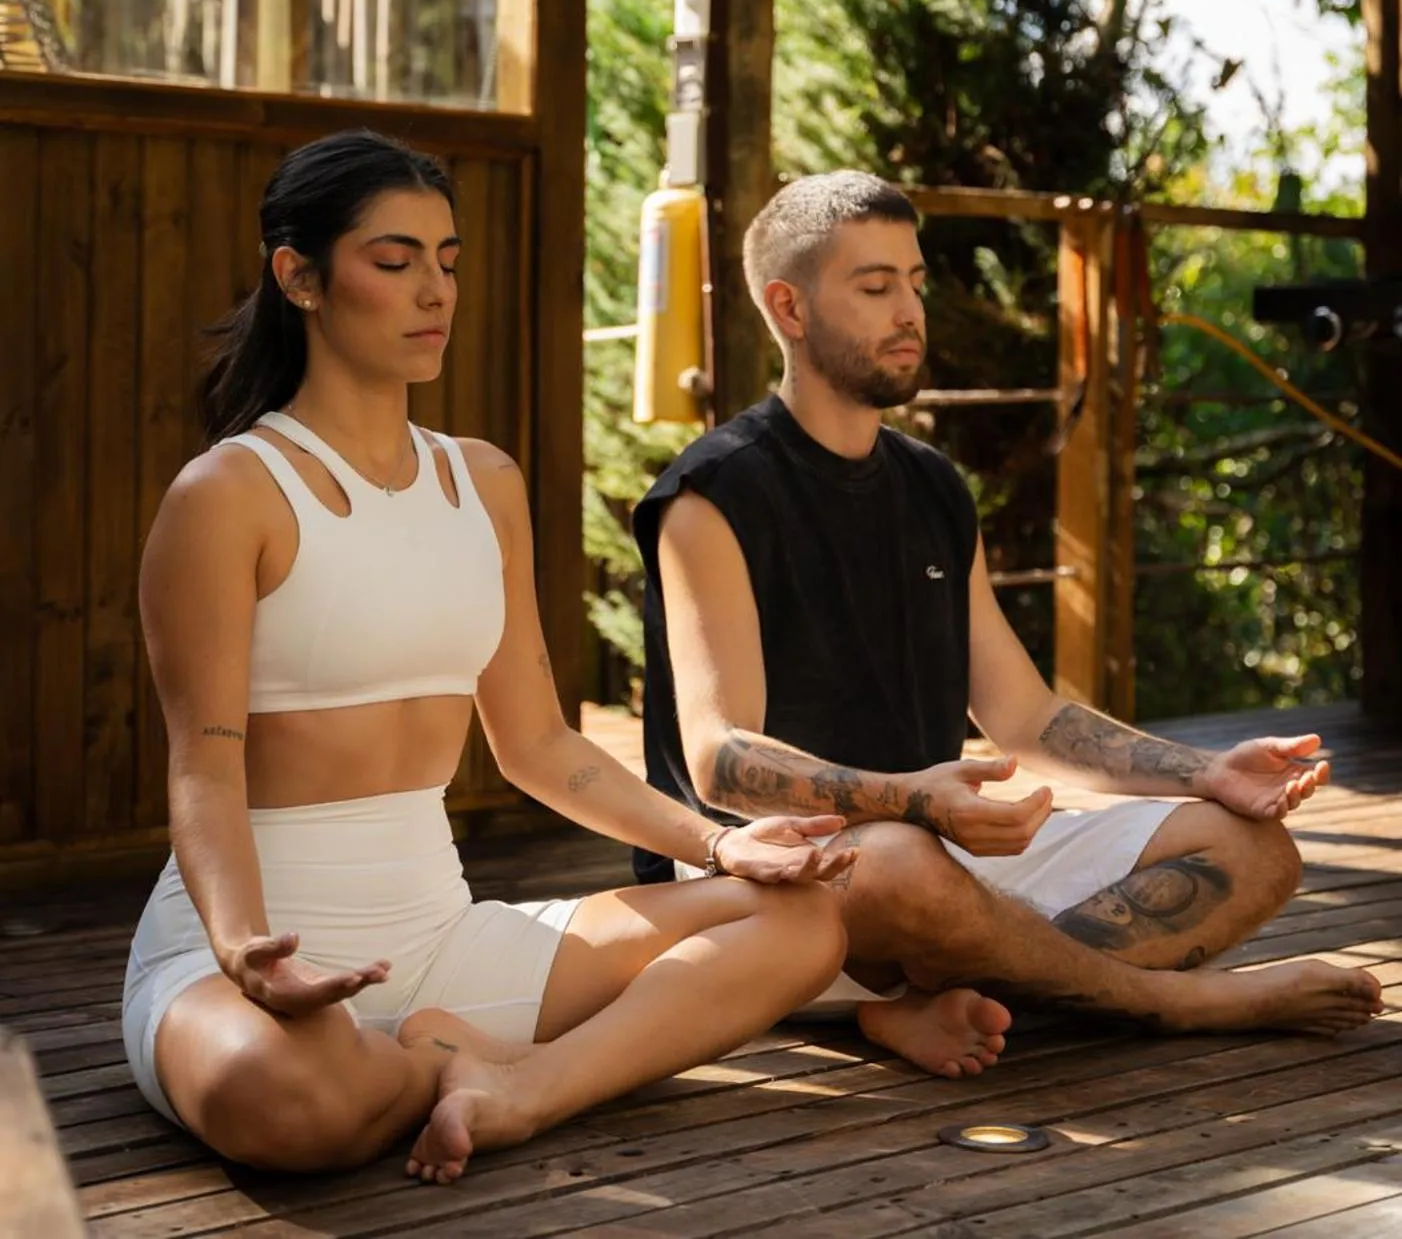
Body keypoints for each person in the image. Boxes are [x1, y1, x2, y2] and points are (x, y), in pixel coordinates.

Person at [122, 130, 852, 1187]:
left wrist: (718, 844)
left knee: (800, 921)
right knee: (273, 1095)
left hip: (442, 940)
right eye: (394, 260)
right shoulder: (229, 495)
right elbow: (203, 767)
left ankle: (520, 1086)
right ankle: (448, 1061)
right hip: (244, 947)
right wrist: (242, 947)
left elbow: (541, 746)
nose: (435, 291)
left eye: (448, 261)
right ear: (300, 277)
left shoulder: (482, 483)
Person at [633, 170, 1382, 1079]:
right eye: (875, 286)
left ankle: (912, 1001)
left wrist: (1208, 770)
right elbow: (718, 761)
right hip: (768, 874)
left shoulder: (932, 486)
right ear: (788, 307)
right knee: (903, 866)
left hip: (929, 853)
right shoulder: (713, 495)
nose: (909, 311)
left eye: (915, 282)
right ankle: (1174, 1002)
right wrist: (914, 798)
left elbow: (1027, 717)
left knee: (1251, 848)